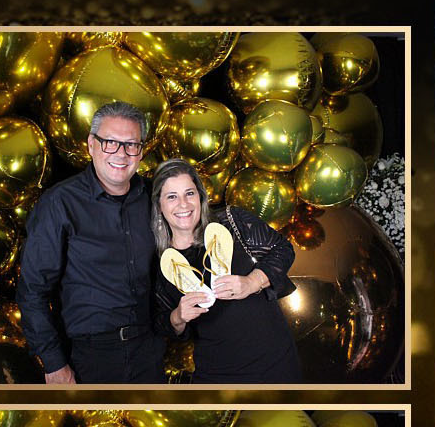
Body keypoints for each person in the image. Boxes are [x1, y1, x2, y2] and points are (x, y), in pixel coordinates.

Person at [17, 102, 165, 385]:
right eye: (110, 142)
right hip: (89, 358)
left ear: (141, 151)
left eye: (131, 145)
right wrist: (54, 364)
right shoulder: (59, 203)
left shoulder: (154, 197)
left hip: (150, 350)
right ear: (91, 145)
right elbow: (33, 291)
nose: (120, 154)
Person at [152, 158, 302, 385]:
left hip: (274, 364)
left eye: (189, 193)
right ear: (159, 205)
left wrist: (252, 282)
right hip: (216, 375)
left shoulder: (231, 222)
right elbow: (161, 323)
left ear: (200, 196)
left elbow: (283, 249)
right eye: (172, 197)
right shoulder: (164, 264)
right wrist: (178, 316)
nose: (183, 204)